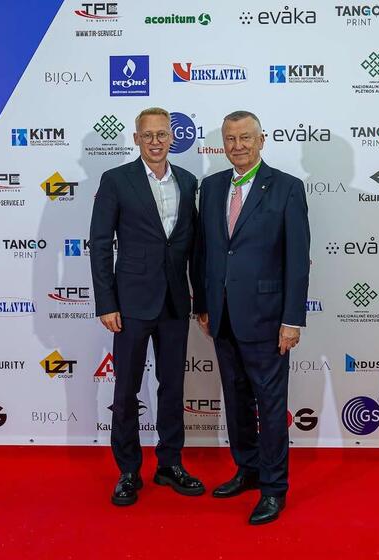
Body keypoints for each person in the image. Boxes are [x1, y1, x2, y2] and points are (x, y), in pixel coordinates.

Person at [194, 110, 310, 525]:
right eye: (231, 138)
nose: (238, 145)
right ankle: (247, 469)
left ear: (262, 140)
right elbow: (204, 251)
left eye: (246, 137)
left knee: (270, 405)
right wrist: (202, 305)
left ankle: (274, 488)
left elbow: (297, 259)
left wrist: (292, 320)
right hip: (222, 316)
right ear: (223, 143)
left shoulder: (287, 188)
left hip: (267, 319)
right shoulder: (211, 187)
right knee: (236, 399)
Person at [90, 107, 205, 506]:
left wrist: (202, 299)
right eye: (148, 135)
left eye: (162, 134)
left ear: (172, 138)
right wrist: (106, 302)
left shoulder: (188, 181)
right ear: (136, 138)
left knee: (173, 387)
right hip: (131, 304)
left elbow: (195, 248)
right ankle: (127, 470)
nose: (156, 142)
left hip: (175, 301)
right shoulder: (116, 180)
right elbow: (100, 244)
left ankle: (170, 463)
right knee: (126, 389)